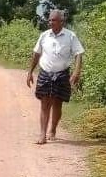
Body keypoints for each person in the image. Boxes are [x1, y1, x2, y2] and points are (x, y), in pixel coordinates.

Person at [27, 9, 85, 144]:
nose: (50, 22)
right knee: (44, 103)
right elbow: (36, 54)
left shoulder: (70, 36)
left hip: (62, 74)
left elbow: (78, 54)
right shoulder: (44, 36)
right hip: (45, 73)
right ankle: (42, 134)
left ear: (61, 22)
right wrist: (30, 72)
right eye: (49, 20)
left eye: (53, 20)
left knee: (57, 104)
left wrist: (76, 72)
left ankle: (52, 129)